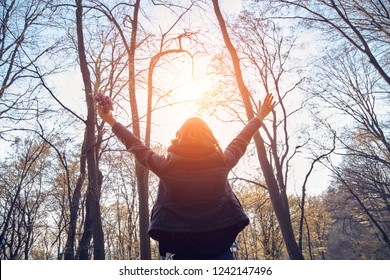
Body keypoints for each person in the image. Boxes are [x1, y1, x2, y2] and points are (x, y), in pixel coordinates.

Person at [97, 93, 275, 260]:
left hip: (182, 250)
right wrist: (259, 117)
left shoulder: (166, 166)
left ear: (179, 136)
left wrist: (111, 120)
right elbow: (241, 139)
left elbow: (136, 146)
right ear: (210, 136)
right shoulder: (222, 162)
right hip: (220, 249)